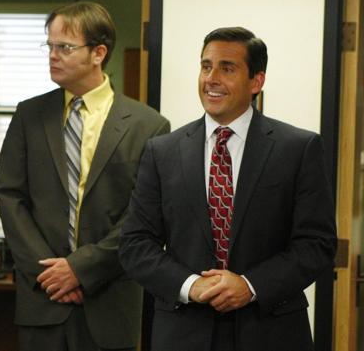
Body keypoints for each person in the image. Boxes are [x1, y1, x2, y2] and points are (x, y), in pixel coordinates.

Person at [119, 26, 337, 351]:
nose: (211, 78)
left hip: (270, 331)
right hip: (183, 332)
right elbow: (136, 244)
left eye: (227, 68)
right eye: (206, 66)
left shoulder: (298, 148)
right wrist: (191, 285)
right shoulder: (161, 151)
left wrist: (250, 285)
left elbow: (316, 244)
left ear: (257, 81)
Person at [0, 1, 170, 351]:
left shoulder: (148, 125)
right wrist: (49, 272)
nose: (53, 55)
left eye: (65, 47)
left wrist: (80, 269)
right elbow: (10, 196)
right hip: (43, 300)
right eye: (50, 46)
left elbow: (143, 215)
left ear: (98, 53)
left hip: (109, 302)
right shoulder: (30, 115)